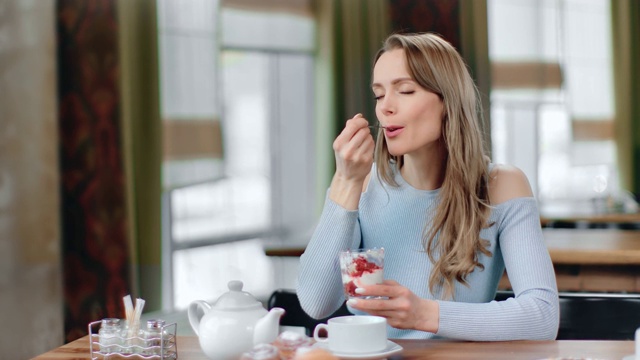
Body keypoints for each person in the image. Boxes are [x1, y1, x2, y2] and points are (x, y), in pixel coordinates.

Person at [296, 32, 559, 341]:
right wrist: (345, 182)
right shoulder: (363, 184)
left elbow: (542, 317)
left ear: (447, 101)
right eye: (379, 95)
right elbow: (316, 303)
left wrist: (424, 314)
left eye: (405, 90)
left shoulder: (501, 186)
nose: (385, 108)